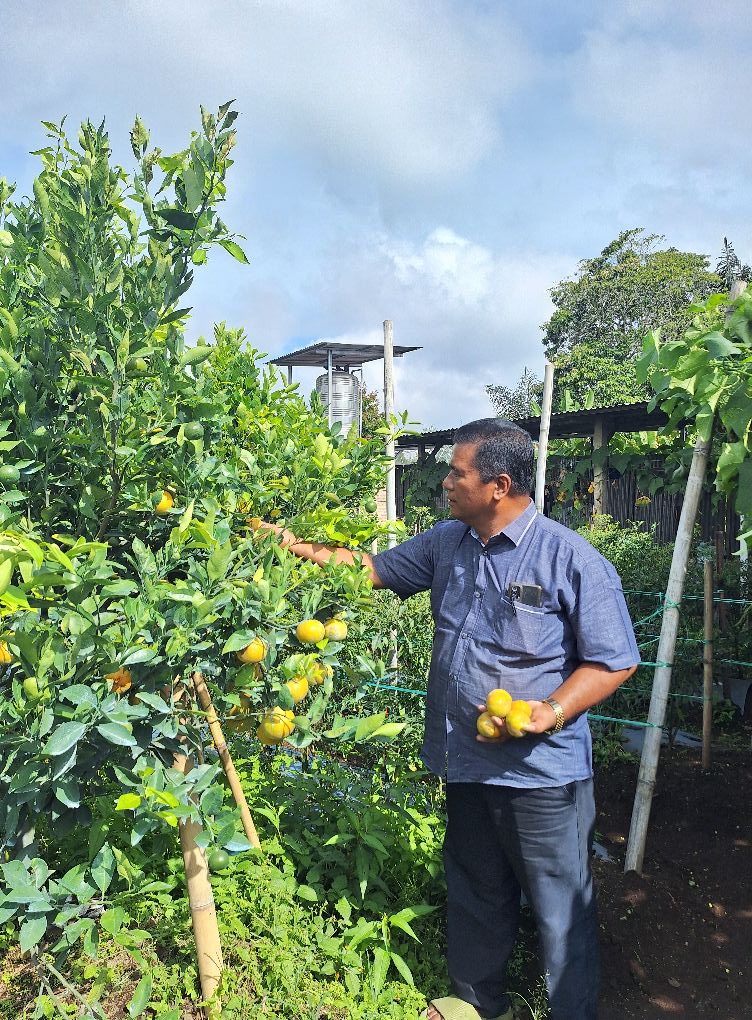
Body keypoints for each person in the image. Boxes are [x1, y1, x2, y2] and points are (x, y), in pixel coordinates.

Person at [262, 418, 639, 1020]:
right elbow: (369, 569)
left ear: (499, 484)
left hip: (541, 775)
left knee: (560, 911)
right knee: (476, 893)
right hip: (466, 759)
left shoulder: (570, 558)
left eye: (457, 472)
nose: (445, 481)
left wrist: (553, 710)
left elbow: (614, 660)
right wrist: (289, 545)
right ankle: (479, 1007)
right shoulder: (447, 543)